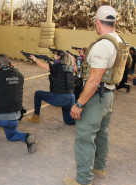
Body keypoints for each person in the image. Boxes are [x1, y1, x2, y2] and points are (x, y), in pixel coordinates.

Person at [63, 6, 131, 185]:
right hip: (108, 95)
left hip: (96, 96)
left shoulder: (103, 45)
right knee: (102, 133)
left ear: (98, 22)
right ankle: (99, 168)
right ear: (115, 22)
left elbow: (93, 81)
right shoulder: (119, 40)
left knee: (85, 136)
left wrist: (79, 104)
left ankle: (83, 181)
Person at [27, 50, 76, 125]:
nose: (54, 56)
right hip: (71, 98)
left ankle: (36, 117)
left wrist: (34, 58)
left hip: (60, 98)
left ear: (58, 57)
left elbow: (40, 64)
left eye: (55, 55)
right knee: (68, 122)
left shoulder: (56, 67)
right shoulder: (70, 67)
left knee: (38, 94)